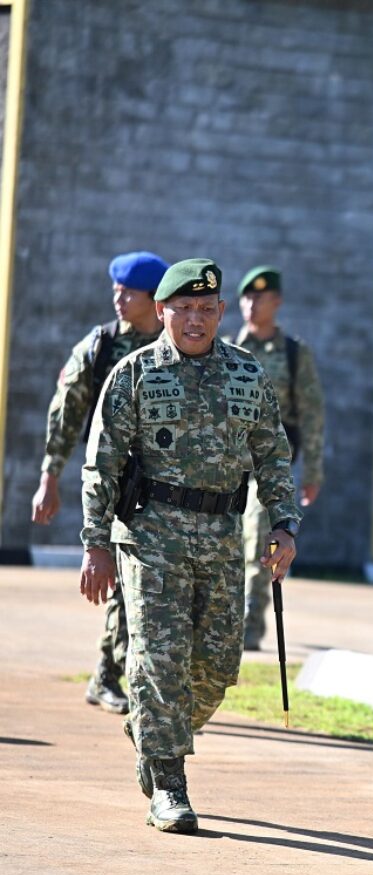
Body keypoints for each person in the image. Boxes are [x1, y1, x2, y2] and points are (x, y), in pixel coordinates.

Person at [80, 259, 301, 834]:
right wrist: (95, 544)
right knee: (159, 656)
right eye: (183, 308)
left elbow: (274, 455)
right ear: (162, 312)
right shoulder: (134, 374)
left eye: (207, 308)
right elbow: (100, 466)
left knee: (218, 667)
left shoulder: (248, 375)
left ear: (222, 313)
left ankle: (154, 729)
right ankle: (169, 780)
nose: (196, 319)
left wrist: (284, 524)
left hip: (224, 537)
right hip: (150, 536)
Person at [32, 250, 169, 714]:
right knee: (125, 579)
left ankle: (116, 675)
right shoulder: (100, 346)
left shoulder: (178, 348)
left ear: (153, 299)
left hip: (167, 485)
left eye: (128, 292)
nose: (118, 298)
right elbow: (65, 413)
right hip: (115, 481)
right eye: (116, 289)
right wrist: (49, 476)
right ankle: (110, 674)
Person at [231, 266, 324, 649]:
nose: (252, 305)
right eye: (247, 298)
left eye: (261, 298)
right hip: (222, 464)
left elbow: (311, 412)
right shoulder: (226, 350)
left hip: (267, 466)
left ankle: (250, 624)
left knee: (257, 539)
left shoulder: (293, 353)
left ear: (277, 302)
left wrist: (313, 470)